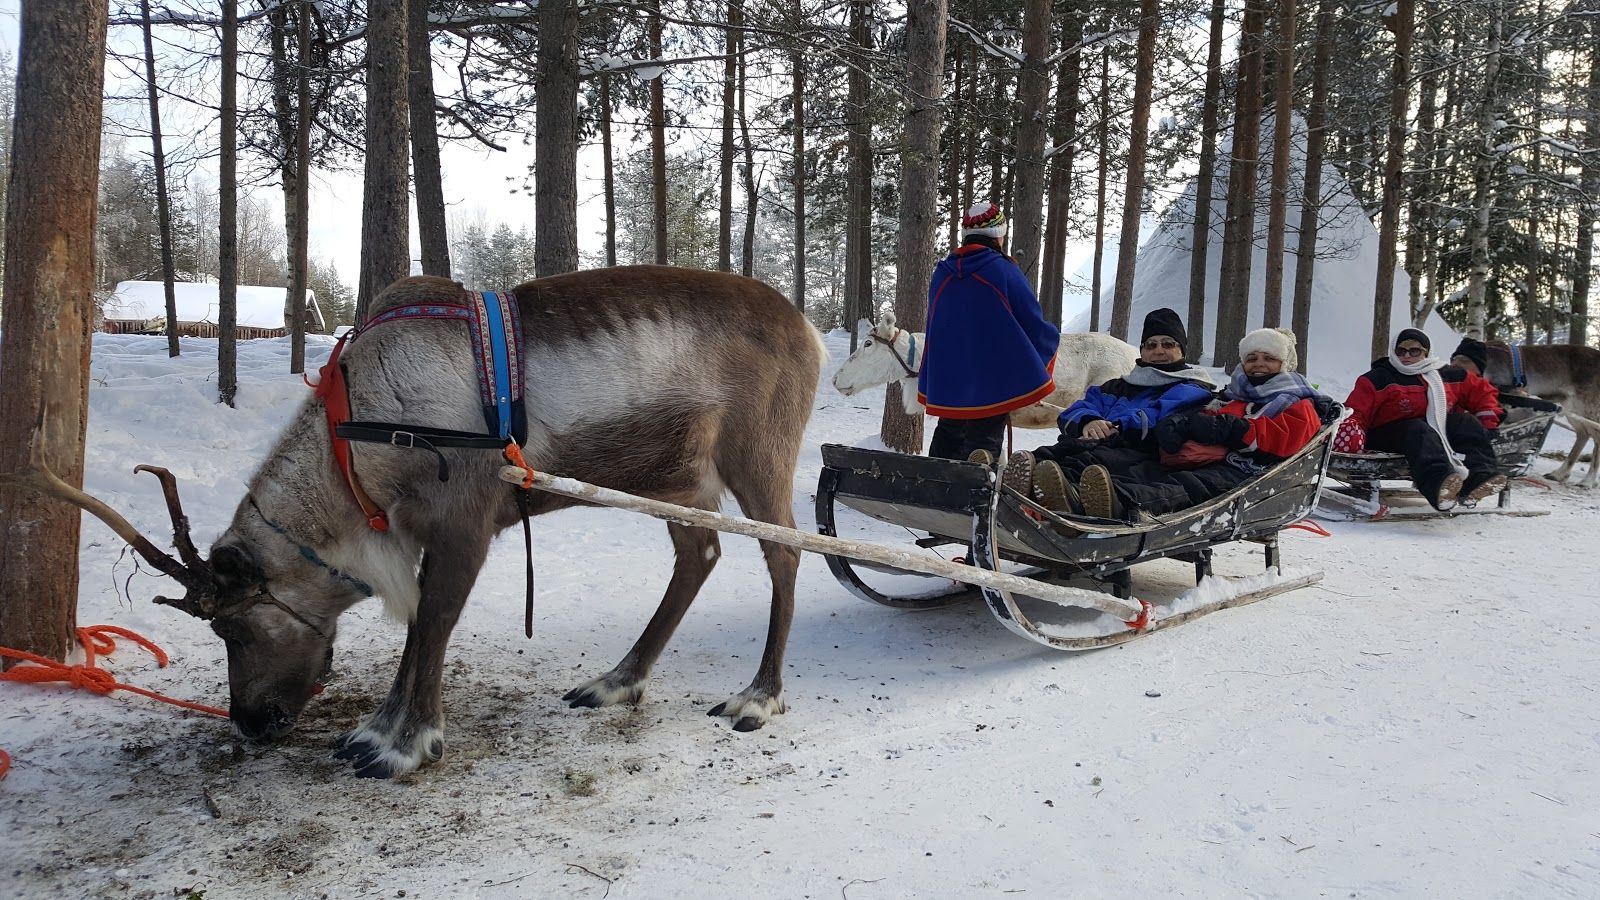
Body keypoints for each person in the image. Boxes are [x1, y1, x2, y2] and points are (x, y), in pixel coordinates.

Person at [1062, 328, 1327, 521]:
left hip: (1246, 470)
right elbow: (1206, 416)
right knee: (1146, 470)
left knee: (1184, 486)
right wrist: (1180, 425)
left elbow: (1289, 440)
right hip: (1203, 457)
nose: (1259, 364)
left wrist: (1237, 430)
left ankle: (1114, 503)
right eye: (1252, 358)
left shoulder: (1297, 402)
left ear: (1284, 364)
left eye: (1268, 358)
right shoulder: (1233, 395)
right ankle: (1075, 495)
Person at [1004, 307, 1214, 511]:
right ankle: (1006, 489)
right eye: (1151, 345)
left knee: (1085, 464)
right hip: (1096, 443)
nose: (1158, 350)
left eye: (1168, 344)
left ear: (1182, 351)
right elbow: (1078, 408)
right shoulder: (1118, 386)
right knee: (1047, 455)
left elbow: (1159, 415)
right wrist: (1088, 420)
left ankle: (1066, 502)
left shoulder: (1191, 387)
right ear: (1142, 351)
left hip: (1138, 449)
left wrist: (1115, 427)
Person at [918, 201, 1061, 462]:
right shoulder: (1003, 270)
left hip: (950, 378)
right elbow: (1032, 322)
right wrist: (1050, 340)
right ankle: (976, 494)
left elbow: (937, 327)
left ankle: (934, 489)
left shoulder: (942, 274)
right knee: (983, 441)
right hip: (992, 379)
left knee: (948, 434)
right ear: (999, 235)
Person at [1339, 328, 1506, 510]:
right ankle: (1439, 485)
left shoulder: (1445, 374)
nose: (1406, 356)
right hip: (1386, 434)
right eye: (1401, 351)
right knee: (1418, 429)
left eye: (1414, 351)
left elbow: (1480, 391)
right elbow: (1356, 410)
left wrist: (1488, 422)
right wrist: (1352, 433)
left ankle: (1479, 477)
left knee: (1464, 422)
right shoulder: (1379, 378)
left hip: (1430, 430)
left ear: (1426, 353)